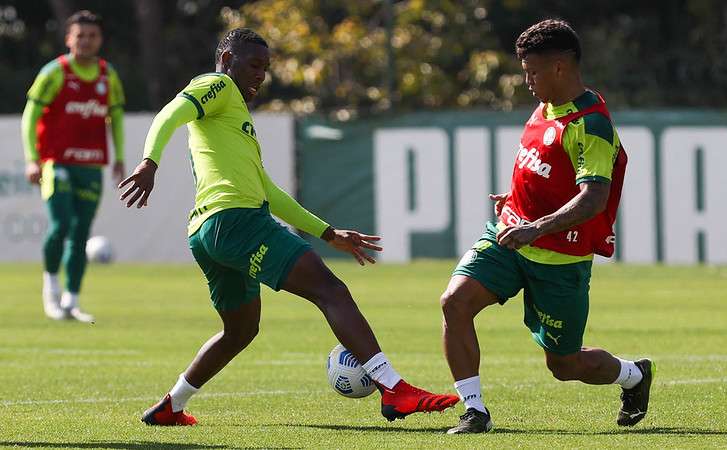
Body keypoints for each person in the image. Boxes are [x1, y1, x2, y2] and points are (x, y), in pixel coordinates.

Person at [118, 28, 459, 426]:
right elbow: (170, 113)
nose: (260, 75)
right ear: (227, 60)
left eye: (265, 67)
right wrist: (149, 161)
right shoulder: (217, 85)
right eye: (253, 65)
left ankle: (171, 405)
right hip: (237, 221)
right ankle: (393, 389)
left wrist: (328, 233)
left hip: (208, 232)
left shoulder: (235, 118)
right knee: (330, 290)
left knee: (240, 330)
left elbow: (269, 192)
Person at [439, 19, 654, 434]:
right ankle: (474, 411)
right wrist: (514, 200)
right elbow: (541, 169)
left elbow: (593, 198)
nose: (526, 81)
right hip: (508, 236)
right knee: (454, 302)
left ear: (560, 67)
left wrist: (535, 227)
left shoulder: (592, 125)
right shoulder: (544, 107)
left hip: (559, 258)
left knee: (564, 365)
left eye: (532, 71)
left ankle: (634, 375)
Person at [21, 10, 126, 322]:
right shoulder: (54, 73)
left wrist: (119, 157)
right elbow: (31, 116)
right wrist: (32, 159)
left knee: (81, 233)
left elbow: (116, 118)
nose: (86, 41)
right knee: (61, 225)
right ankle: (51, 290)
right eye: (80, 35)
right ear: (69, 39)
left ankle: (72, 301)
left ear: (100, 40)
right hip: (57, 162)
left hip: (91, 165)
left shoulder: (109, 76)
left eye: (92, 36)